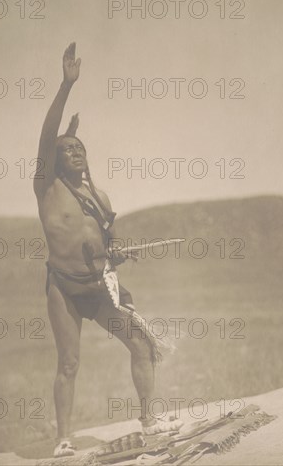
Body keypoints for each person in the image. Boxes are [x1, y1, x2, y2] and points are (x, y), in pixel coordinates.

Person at [34, 43, 182, 457]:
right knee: (69, 363)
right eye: (67, 150)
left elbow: (108, 240)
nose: (75, 151)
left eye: (79, 147)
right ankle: (63, 440)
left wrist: (117, 253)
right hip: (63, 289)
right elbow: (48, 135)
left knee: (141, 345)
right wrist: (66, 86)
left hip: (99, 287)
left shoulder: (99, 195)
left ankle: (149, 422)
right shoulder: (46, 188)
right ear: (54, 160)